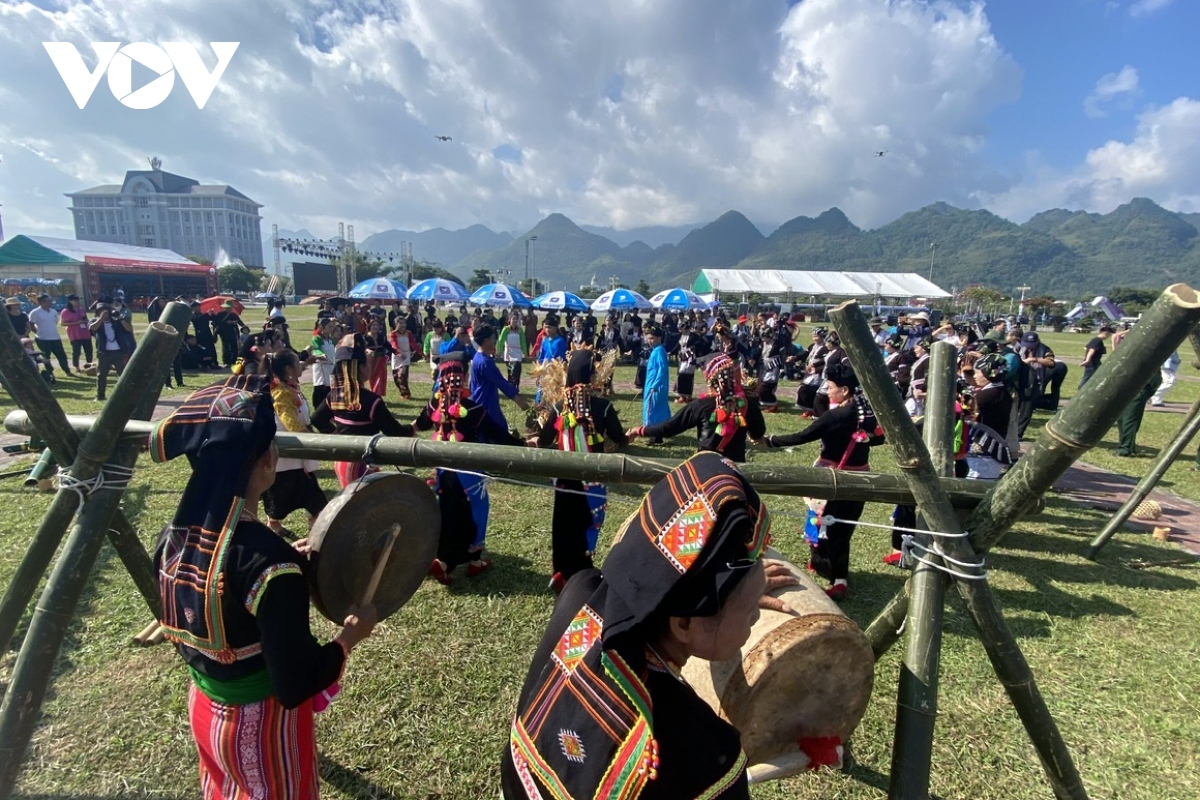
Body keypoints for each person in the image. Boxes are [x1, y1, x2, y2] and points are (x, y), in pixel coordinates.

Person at [502, 453, 812, 800]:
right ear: (683, 623)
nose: (755, 616)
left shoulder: (581, 594)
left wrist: (738, 589)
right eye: (749, 610)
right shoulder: (709, 756)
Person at [150, 373, 376, 800]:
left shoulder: (173, 539)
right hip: (260, 730)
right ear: (268, 459)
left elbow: (215, 603)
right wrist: (351, 636)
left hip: (204, 710)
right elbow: (295, 683)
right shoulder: (272, 567)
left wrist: (286, 559)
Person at [762, 363, 884, 600]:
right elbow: (877, 440)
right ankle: (829, 569)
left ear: (845, 390)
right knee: (841, 528)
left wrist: (771, 440)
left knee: (824, 523)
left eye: (830, 386)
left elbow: (803, 436)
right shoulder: (865, 411)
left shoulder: (836, 416)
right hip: (860, 477)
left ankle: (836, 577)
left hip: (833, 479)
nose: (827, 390)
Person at [415, 352, 521, 583]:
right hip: (470, 474)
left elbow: (422, 423)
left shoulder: (435, 404)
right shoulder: (473, 409)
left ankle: (444, 561)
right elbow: (497, 434)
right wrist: (522, 444)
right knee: (477, 511)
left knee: (449, 512)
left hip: (443, 472)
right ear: (462, 377)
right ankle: (474, 561)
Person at [534, 350, 628, 592]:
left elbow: (544, 440)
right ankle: (580, 575)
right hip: (592, 478)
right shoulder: (603, 407)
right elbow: (619, 437)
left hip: (564, 478)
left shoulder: (557, 408)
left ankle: (562, 571)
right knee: (589, 522)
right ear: (590, 375)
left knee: (564, 523)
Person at [311, 334, 413, 487]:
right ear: (360, 368)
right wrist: (414, 427)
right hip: (362, 466)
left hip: (342, 462)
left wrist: (336, 436)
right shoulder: (371, 400)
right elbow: (395, 432)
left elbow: (317, 420)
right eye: (367, 363)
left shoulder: (334, 395)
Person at [628, 352, 767, 463]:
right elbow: (758, 433)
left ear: (710, 379)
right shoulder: (747, 404)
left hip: (705, 466)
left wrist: (638, 430)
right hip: (736, 468)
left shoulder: (701, 405)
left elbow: (669, 428)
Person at [470, 324, 531, 439]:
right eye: (493, 337)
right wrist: (519, 401)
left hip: (480, 402)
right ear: (486, 340)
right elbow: (501, 383)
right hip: (486, 406)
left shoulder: (478, 357)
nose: (495, 340)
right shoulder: (485, 362)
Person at [90, 302, 133, 401]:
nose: (105, 313)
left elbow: (129, 329)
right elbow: (92, 328)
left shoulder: (116, 322)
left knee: (123, 375)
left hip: (118, 352)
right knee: (101, 375)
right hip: (104, 353)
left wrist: (120, 318)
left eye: (106, 311)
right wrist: (101, 318)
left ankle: (125, 395)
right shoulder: (95, 321)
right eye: (101, 311)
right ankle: (100, 396)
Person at [29, 294, 72, 377]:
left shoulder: (54, 311)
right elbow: (31, 324)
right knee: (46, 358)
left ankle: (67, 371)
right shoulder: (35, 312)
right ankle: (50, 373)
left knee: (62, 356)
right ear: (41, 302)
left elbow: (55, 322)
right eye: (48, 301)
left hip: (55, 338)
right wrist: (38, 333)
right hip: (42, 339)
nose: (50, 302)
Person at [641, 323, 670, 443]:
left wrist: (655, 385)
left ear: (659, 338)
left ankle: (654, 434)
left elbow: (662, 370)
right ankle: (657, 435)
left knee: (652, 409)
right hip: (652, 384)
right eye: (648, 339)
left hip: (655, 386)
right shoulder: (655, 351)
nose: (650, 341)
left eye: (652, 338)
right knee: (657, 409)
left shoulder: (659, 351)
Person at [673, 320, 708, 403]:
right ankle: (682, 395)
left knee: (687, 375)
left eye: (681, 329)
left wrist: (694, 351)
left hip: (690, 358)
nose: (680, 331)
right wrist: (671, 352)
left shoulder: (693, 336)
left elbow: (699, 344)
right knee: (680, 375)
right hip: (682, 357)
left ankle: (688, 396)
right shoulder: (682, 336)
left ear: (685, 328)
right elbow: (678, 345)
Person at [388, 316, 421, 400]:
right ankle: (402, 392)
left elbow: (413, 344)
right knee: (396, 377)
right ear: (396, 324)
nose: (403, 325)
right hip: (396, 356)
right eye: (400, 323)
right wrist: (398, 353)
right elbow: (394, 344)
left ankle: (406, 394)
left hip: (406, 356)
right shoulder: (393, 333)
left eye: (404, 323)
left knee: (402, 374)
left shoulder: (408, 333)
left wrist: (421, 352)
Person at [60, 295, 93, 372]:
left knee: (89, 350)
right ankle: (77, 367)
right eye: (76, 300)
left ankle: (89, 365)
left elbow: (86, 319)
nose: (78, 302)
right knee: (76, 351)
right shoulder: (65, 311)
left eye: (78, 300)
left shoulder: (81, 310)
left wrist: (86, 321)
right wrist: (76, 323)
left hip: (85, 333)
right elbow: (63, 323)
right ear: (70, 301)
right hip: (75, 334)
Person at [213, 300, 249, 368]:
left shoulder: (233, 315)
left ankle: (234, 360)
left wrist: (243, 326)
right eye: (227, 308)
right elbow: (216, 323)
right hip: (223, 333)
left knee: (234, 346)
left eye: (230, 308)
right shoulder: (220, 314)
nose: (229, 309)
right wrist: (226, 322)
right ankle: (227, 361)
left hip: (233, 332)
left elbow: (240, 322)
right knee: (226, 347)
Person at [498, 311, 527, 388]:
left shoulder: (520, 330)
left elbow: (523, 342)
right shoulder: (506, 329)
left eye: (516, 319)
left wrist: (525, 353)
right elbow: (501, 341)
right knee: (511, 371)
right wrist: (499, 352)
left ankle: (516, 385)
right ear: (509, 320)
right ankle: (511, 387)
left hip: (518, 353)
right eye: (513, 319)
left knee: (517, 369)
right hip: (509, 353)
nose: (514, 321)